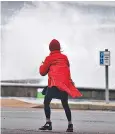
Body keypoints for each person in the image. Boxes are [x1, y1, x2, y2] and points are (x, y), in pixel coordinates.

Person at [39, 39, 82, 132]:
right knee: (65, 104)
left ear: (50, 48)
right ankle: (70, 124)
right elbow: (67, 68)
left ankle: (48, 123)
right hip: (63, 85)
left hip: (54, 84)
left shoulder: (49, 58)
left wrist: (41, 65)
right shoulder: (65, 57)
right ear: (59, 47)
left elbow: (42, 72)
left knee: (46, 102)